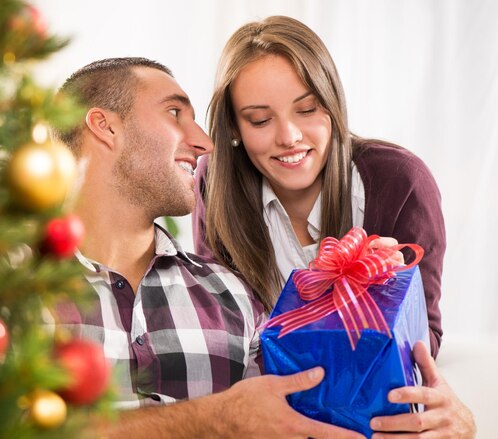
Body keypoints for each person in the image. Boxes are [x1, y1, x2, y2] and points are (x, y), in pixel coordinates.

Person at [53, 57, 474, 438]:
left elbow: (332, 403)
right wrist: (211, 420)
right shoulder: (5, 291)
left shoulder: (233, 299)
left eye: (307, 109)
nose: (205, 143)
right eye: (175, 113)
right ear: (104, 126)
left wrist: (454, 419)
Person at [193, 15, 445, 358]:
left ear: (333, 103)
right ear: (234, 127)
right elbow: (223, 332)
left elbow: (426, 341)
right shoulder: (215, 181)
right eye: (260, 120)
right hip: (265, 399)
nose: (289, 137)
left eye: (307, 109)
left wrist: (385, 292)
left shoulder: (402, 183)